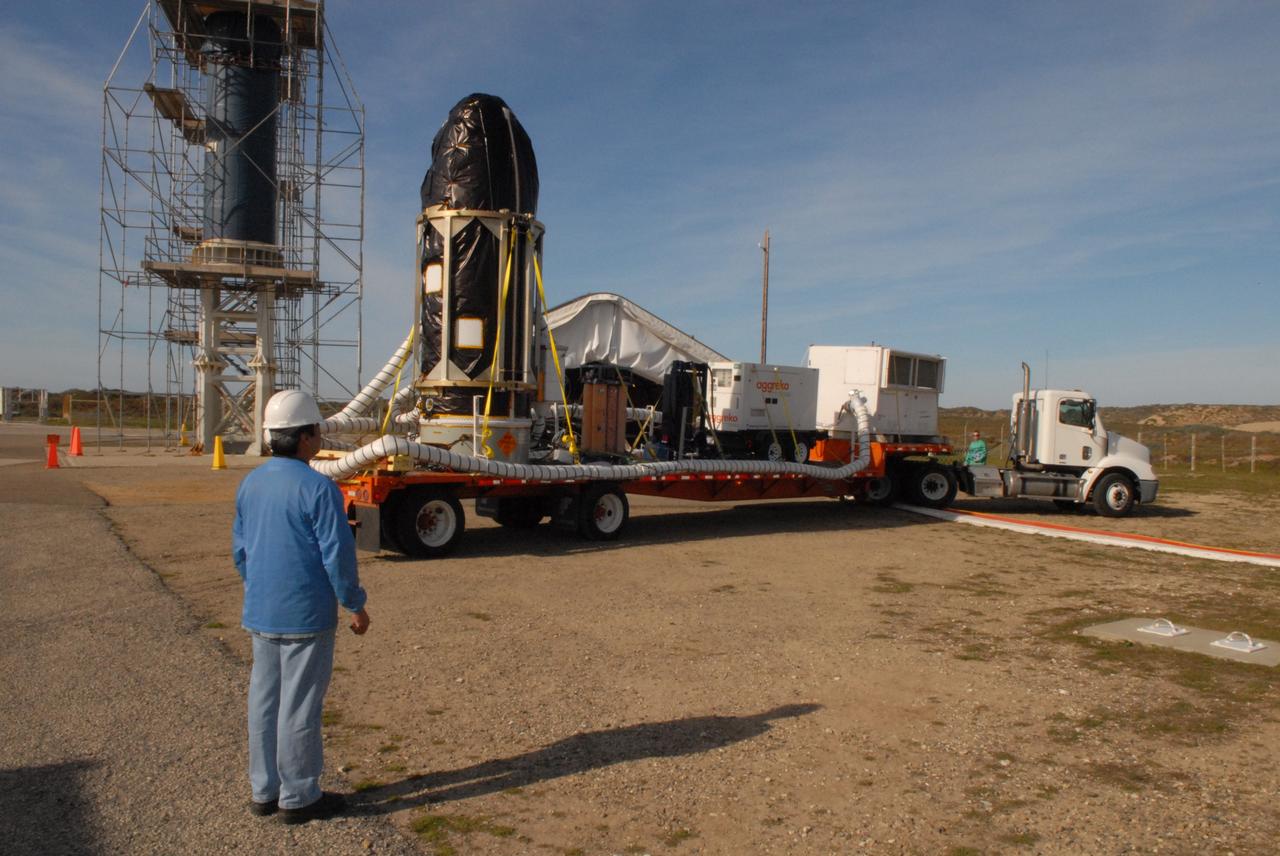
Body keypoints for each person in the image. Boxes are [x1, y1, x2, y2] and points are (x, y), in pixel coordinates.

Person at [232, 389, 371, 824]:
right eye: (316, 431)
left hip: (261, 612)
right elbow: (338, 555)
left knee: (264, 701)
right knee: (300, 706)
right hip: (306, 616)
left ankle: (264, 789)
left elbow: (241, 551)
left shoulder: (250, 483)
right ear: (307, 436)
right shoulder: (319, 488)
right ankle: (299, 795)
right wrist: (355, 604)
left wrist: (259, 589)